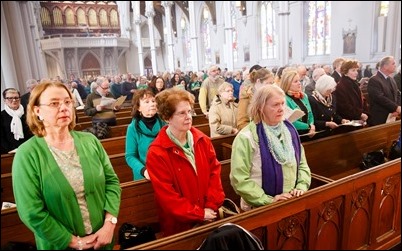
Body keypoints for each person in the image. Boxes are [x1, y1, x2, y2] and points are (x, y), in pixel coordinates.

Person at [12, 81, 121, 250]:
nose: (63, 108)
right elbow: (31, 212)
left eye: (67, 102)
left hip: (102, 241)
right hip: (59, 246)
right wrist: (72, 241)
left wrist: (109, 224)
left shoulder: (90, 141)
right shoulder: (27, 154)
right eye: (54, 103)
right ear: (37, 111)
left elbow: (112, 183)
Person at [146, 88, 225, 237]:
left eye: (189, 111)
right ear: (167, 117)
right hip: (180, 226)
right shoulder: (157, 152)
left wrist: (210, 207)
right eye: (182, 113)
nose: (188, 117)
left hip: (209, 216)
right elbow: (167, 197)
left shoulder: (202, 140)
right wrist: (198, 213)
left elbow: (215, 174)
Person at [230, 84, 311, 211]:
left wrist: (301, 186)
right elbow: (240, 179)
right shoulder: (247, 137)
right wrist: (268, 200)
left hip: (292, 200)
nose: (281, 109)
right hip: (261, 207)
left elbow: (302, 163)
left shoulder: (289, 130)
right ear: (261, 107)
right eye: (275, 105)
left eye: (282, 104)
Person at [125, 89, 166, 180]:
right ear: (139, 108)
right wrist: (144, 171)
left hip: (165, 172)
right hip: (145, 176)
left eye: (153, 101)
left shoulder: (164, 123)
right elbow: (130, 156)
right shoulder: (133, 128)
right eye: (146, 102)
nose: (152, 104)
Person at [279, 69, 316, 138]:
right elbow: (290, 121)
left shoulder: (303, 96)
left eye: (299, 80)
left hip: (309, 132)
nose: (299, 83)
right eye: (295, 81)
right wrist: (309, 126)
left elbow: (310, 114)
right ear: (287, 84)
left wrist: (312, 127)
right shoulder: (283, 99)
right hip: (294, 134)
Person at [367, 56, 401, 125]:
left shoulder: (391, 79)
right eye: (393, 64)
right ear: (385, 66)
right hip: (380, 117)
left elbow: (397, 94)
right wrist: (396, 107)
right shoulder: (374, 80)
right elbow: (379, 98)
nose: (395, 66)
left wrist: (397, 108)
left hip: (393, 114)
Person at [1, 88, 32, 154]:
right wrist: (13, 150)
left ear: (20, 99)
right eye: (10, 98)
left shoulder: (29, 113)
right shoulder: (1, 116)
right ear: (4, 100)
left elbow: (34, 131)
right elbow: (1, 138)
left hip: (30, 149)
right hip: (11, 152)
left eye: (16, 97)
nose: (14, 100)